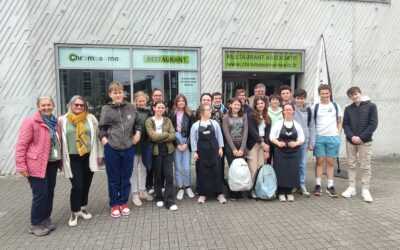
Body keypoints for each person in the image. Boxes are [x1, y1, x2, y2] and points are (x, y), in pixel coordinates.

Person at [15, 96, 61, 236]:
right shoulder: (31, 122)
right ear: (38, 107)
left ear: (53, 105)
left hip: (51, 162)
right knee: (40, 194)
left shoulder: (55, 122)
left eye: (49, 104)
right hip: (36, 164)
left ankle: (45, 219)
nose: (46, 107)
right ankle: (35, 224)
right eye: (43, 105)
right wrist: (21, 166)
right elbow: (21, 145)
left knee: (50, 192)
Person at [59, 96, 104, 226]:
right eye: (76, 105)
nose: (79, 107)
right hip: (73, 157)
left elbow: (97, 138)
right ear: (70, 105)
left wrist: (100, 155)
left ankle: (82, 207)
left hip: (88, 156)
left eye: (81, 105)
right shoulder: (62, 120)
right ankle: (74, 211)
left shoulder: (91, 119)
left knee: (87, 184)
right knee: (77, 185)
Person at [98, 81, 141, 218]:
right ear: (110, 94)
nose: (117, 94)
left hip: (128, 147)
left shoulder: (131, 107)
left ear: (123, 93)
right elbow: (101, 128)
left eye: (120, 92)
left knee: (126, 177)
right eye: (114, 92)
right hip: (112, 148)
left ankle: (123, 202)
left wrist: (138, 134)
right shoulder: (106, 109)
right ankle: (114, 204)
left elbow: (137, 124)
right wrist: (105, 141)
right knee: (113, 178)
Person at [341, 87, 378, 203]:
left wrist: (361, 137)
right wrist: (352, 136)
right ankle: (351, 187)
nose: (354, 96)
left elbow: (373, 124)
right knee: (351, 164)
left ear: (360, 94)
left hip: (365, 142)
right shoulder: (348, 109)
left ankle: (365, 189)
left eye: (356, 94)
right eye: (351, 95)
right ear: (349, 97)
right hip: (350, 141)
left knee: (365, 166)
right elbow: (345, 124)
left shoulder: (371, 106)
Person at [145, 101, 178, 211]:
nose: (160, 109)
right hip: (156, 151)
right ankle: (158, 197)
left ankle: (169, 200)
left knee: (169, 175)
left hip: (168, 150)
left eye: (162, 107)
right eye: (158, 107)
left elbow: (173, 136)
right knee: (158, 175)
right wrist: (165, 134)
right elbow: (152, 137)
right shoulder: (149, 121)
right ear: (154, 108)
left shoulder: (168, 120)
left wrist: (159, 135)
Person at [190, 104, 226, 204]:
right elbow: (193, 140)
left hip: (214, 151)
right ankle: (203, 194)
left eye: (210, 110)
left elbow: (219, 136)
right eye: (208, 110)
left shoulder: (215, 123)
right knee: (202, 172)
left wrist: (220, 148)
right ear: (202, 112)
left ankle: (219, 194)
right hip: (201, 153)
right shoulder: (195, 125)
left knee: (217, 171)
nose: (210, 112)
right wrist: (195, 152)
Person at [312, 84, 343, 198]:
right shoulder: (315, 107)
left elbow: (340, 121)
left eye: (326, 93)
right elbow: (312, 124)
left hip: (333, 137)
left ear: (330, 93)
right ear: (319, 94)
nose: (324, 95)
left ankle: (330, 186)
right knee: (319, 161)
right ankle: (318, 184)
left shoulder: (335, 106)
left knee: (330, 162)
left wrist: (338, 135)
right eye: (322, 93)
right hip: (319, 137)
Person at [270, 103, 304, 202]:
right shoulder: (278, 124)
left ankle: (289, 192)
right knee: (280, 171)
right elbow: (272, 137)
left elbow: (302, 138)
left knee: (291, 171)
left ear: (293, 111)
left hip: (293, 152)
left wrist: (296, 143)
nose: (288, 111)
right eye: (286, 110)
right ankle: (280, 192)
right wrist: (278, 143)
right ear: (283, 112)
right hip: (280, 152)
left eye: (290, 110)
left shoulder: (297, 125)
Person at [222, 98, 248, 201]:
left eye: (239, 105)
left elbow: (245, 132)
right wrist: (233, 148)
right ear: (231, 105)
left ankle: (240, 192)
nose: (237, 106)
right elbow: (226, 133)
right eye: (235, 105)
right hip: (230, 146)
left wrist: (241, 148)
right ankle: (232, 191)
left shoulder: (244, 116)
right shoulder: (225, 117)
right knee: (232, 169)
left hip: (242, 145)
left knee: (241, 169)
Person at [131, 91, 154, 207]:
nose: (141, 103)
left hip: (145, 144)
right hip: (133, 144)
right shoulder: (132, 112)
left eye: (143, 101)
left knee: (143, 168)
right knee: (134, 170)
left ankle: (142, 191)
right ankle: (135, 194)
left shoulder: (149, 112)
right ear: (136, 101)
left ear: (146, 101)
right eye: (139, 101)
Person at [170, 94, 195, 200]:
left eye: (183, 100)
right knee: (178, 167)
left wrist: (186, 144)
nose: (181, 102)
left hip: (186, 141)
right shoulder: (171, 113)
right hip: (175, 140)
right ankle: (180, 187)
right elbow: (170, 130)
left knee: (187, 167)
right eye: (179, 100)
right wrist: (177, 144)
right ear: (176, 102)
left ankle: (188, 186)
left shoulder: (190, 114)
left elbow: (192, 131)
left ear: (185, 102)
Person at [247, 96, 271, 198]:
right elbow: (252, 131)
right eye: (258, 103)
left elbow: (267, 133)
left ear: (265, 104)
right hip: (254, 144)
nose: (260, 105)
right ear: (255, 105)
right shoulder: (251, 115)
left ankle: (258, 188)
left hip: (264, 144)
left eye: (262, 103)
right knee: (253, 168)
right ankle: (250, 189)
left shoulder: (267, 116)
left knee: (261, 167)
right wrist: (262, 143)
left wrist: (266, 148)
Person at [293, 89, 316, 197]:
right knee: (293, 163)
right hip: (292, 141)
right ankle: (293, 183)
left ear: (304, 99)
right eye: (298, 98)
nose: (299, 100)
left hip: (304, 141)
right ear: (295, 98)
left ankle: (301, 184)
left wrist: (312, 142)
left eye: (301, 98)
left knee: (302, 164)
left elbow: (312, 127)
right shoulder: (291, 109)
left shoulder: (309, 110)